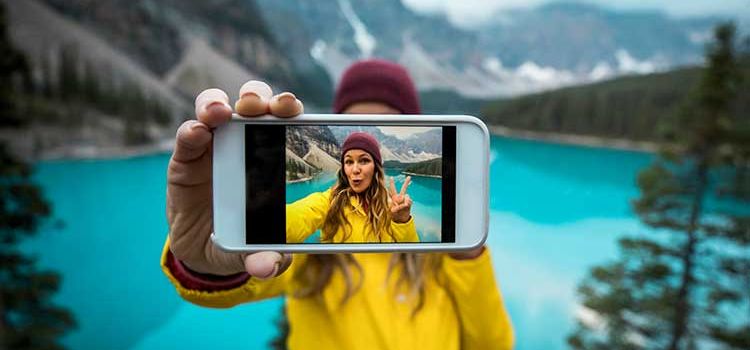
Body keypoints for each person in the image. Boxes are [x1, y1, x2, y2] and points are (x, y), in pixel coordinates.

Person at [162, 59, 514, 349]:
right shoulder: (310, 251)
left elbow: (493, 345)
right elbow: (224, 286)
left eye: (366, 159)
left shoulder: (438, 259)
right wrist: (214, 249)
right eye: (350, 159)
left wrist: (463, 257)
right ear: (343, 165)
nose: (357, 168)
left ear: (377, 165)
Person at [287, 131, 419, 244]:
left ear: (376, 168)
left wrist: (401, 220)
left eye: (364, 160)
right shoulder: (330, 201)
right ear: (344, 169)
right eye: (349, 162)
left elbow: (412, 258)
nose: (355, 169)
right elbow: (298, 216)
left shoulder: (392, 206)